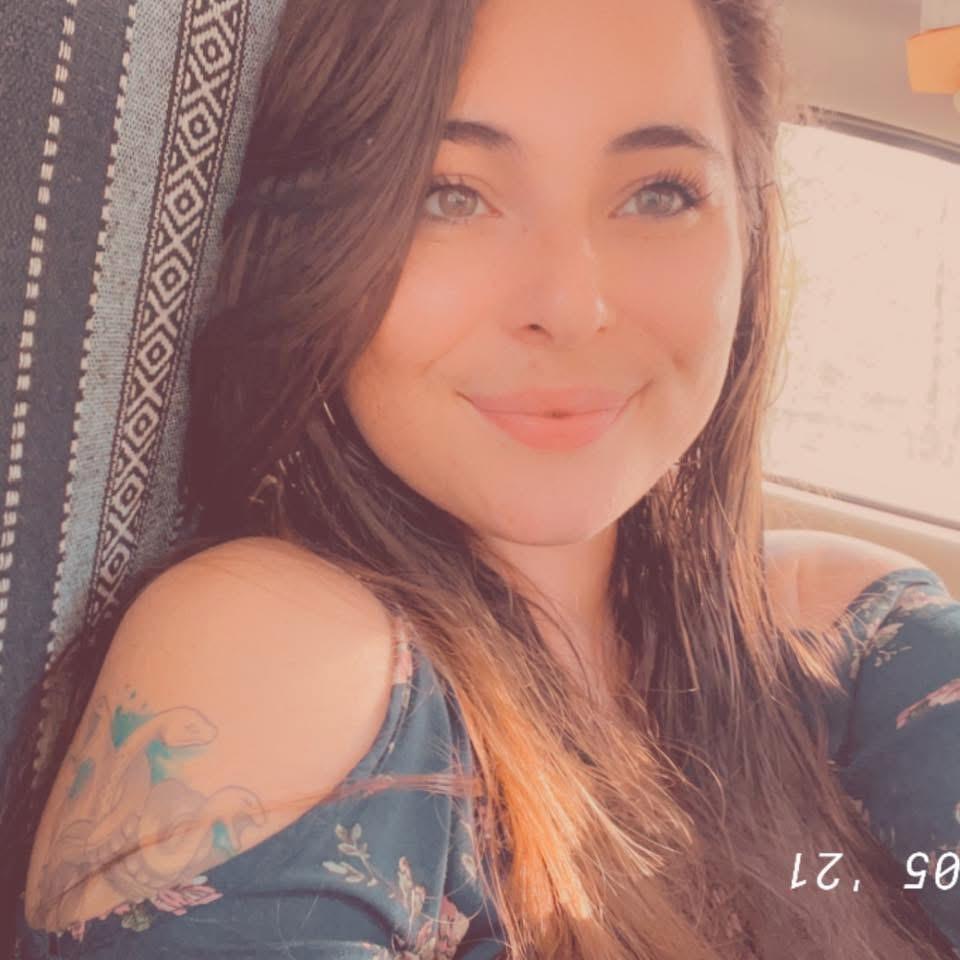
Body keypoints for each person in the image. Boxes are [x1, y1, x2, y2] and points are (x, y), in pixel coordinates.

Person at [4, 0, 959, 957]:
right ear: (318, 243)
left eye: (659, 194)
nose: (571, 306)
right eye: (450, 195)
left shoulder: (853, 630)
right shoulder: (285, 656)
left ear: (748, 237)